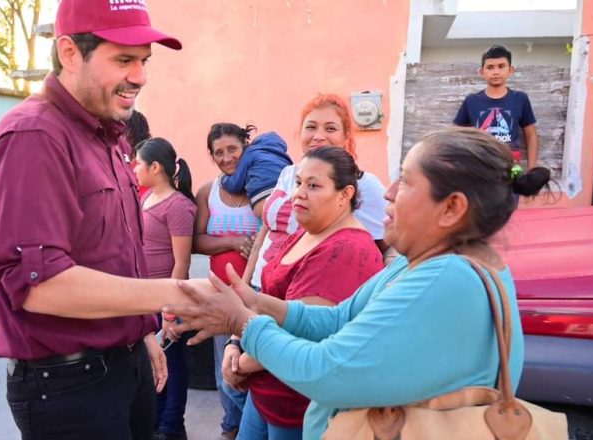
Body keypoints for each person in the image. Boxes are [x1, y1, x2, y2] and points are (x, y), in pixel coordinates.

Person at [166, 127, 552, 440]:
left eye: (407, 181)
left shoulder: (447, 278)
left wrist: (243, 324)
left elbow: (326, 370)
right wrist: (253, 301)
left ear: (451, 208)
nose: (388, 191)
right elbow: (336, 320)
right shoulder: (425, 263)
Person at [0, 1, 202, 439]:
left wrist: (144, 331)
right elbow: (40, 286)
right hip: (70, 385)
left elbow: (112, 254)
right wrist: (180, 293)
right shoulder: (35, 136)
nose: (140, 76)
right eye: (124, 59)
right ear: (71, 53)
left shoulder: (105, 134)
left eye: (144, 61)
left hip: (124, 362)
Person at [225, 147, 384, 439]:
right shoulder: (306, 231)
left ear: (344, 194)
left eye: (313, 186)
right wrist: (233, 344)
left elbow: (303, 332)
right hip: (265, 389)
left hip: (297, 404)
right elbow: (266, 298)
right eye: (298, 182)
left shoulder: (346, 250)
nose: (298, 193)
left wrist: (239, 363)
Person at [243, 94, 387, 290]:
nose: (318, 136)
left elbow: (383, 248)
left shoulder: (364, 184)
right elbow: (265, 233)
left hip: (306, 293)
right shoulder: (288, 174)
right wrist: (243, 287)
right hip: (260, 286)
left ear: (346, 137)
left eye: (330, 128)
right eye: (311, 127)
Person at [193, 122, 262, 439]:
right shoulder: (209, 192)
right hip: (219, 296)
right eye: (218, 152)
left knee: (257, 364)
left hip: (260, 293)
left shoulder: (261, 189)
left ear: (245, 148)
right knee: (226, 370)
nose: (226, 157)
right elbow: (197, 241)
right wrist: (234, 241)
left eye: (232, 149)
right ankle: (232, 426)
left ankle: (256, 427)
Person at [133, 137, 197, 440]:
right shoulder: (146, 198)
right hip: (145, 297)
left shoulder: (179, 207)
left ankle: (173, 427)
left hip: (166, 301)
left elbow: (181, 264)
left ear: (155, 167)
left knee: (172, 363)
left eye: (138, 163)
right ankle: (158, 423)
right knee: (153, 364)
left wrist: (171, 310)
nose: (134, 169)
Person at [454, 44, 539, 169]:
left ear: (510, 70)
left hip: (510, 165)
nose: (496, 72)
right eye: (490, 67)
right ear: (481, 72)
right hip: (481, 166)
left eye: (501, 66)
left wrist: (532, 169)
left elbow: (531, 135)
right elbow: (455, 133)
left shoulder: (520, 98)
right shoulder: (472, 100)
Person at [219, 130, 292, 218]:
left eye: (232, 149)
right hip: (287, 198)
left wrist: (223, 179)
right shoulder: (282, 156)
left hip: (264, 201)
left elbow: (235, 183)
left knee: (272, 220)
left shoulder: (250, 153)